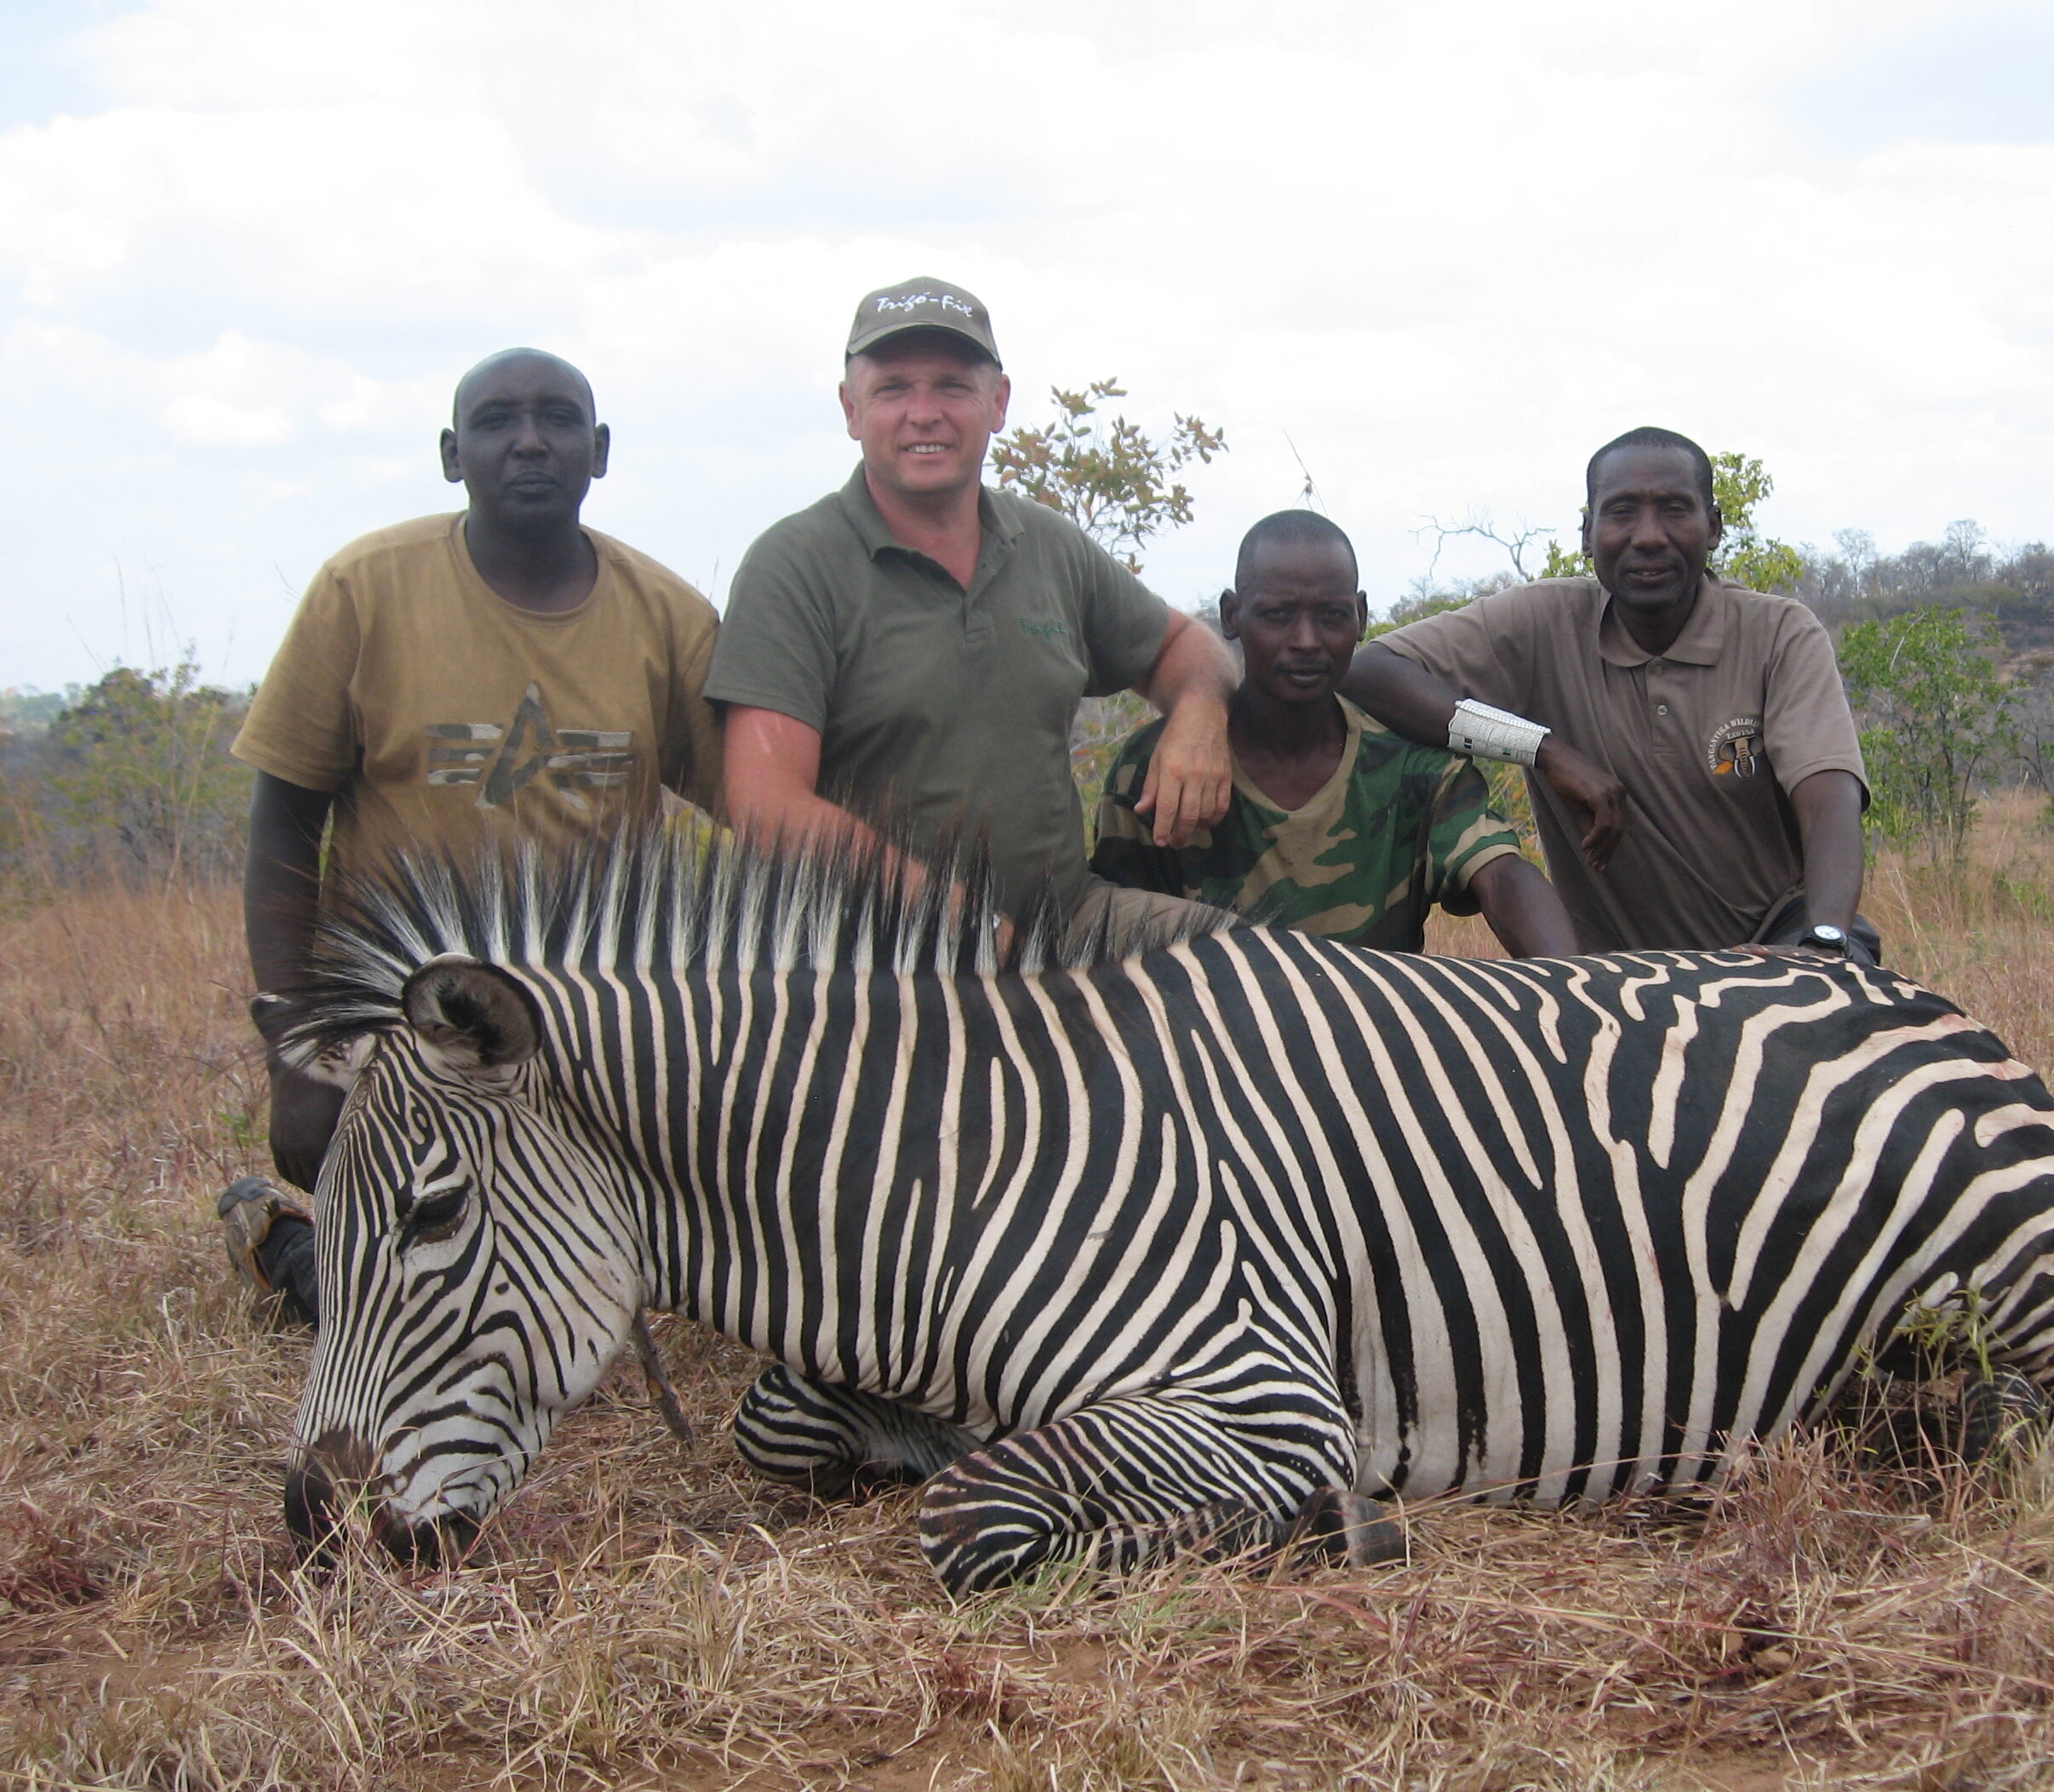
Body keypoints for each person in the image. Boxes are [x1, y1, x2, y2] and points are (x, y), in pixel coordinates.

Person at [217, 348, 725, 1324]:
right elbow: (284, 820)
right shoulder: (361, 590)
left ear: (600, 451)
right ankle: (301, 1252)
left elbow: (758, 812)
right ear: (454, 455)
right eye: (497, 422)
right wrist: (299, 1050)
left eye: (557, 419)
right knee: (426, 1309)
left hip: (598, 1035)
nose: (529, 441)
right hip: (404, 1032)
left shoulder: (670, 617)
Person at [705, 278, 1233, 949]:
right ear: (850, 409)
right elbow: (769, 808)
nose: (923, 413)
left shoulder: (1046, 542)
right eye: (893, 388)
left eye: (952, 386)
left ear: (998, 402)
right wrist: (967, 928)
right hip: (869, 954)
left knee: (1259, 974)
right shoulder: (795, 564)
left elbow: (1187, 646)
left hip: (1067, 923)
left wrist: (1199, 713)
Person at [1343, 426, 1876, 961]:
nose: (1648, 536)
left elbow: (1830, 799)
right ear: (1588, 532)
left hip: (1775, 945)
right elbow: (1369, 672)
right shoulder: (1542, 621)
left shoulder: (1780, 633)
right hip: (1614, 975)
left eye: (1674, 509)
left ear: (1713, 527)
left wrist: (1824, 942)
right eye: (1622, 512)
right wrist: (1542, 749)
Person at [1092, 510, 1576, 956]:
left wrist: (1572, 985)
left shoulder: (1414, 765)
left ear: (1361, 617)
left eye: (1332, 616)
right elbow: (1112, 927)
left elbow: (1501, 874)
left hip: (1372, 1037)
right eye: (1278, 615)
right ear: (1232, 615)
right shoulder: (1160, 764)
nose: (1306, 641)